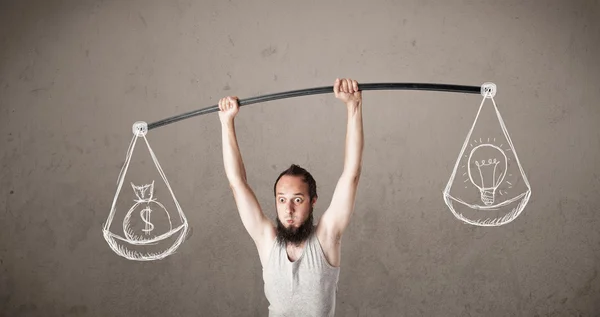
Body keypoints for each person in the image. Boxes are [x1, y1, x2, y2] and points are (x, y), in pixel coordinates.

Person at [218, 78, 364, 316]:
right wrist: (226, 122)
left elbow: (351, 175)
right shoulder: (267, 241)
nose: (289, 209)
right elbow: (237, 183)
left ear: (313, 201)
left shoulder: (327, 239)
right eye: (282, 199)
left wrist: (354, 107)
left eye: (298, 200)